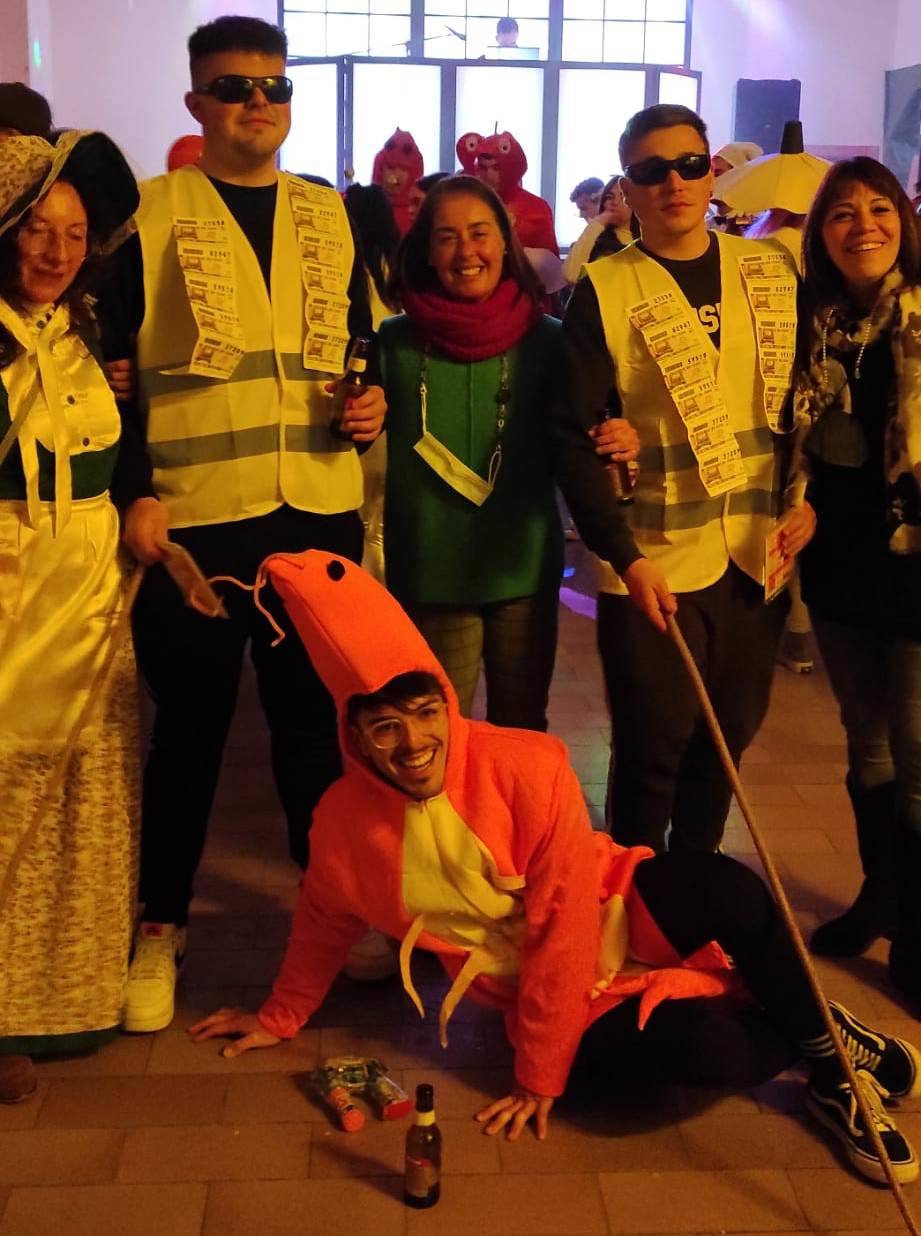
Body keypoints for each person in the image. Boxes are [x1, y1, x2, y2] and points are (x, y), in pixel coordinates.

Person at [190, 549, 921, 1185]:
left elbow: (566, 918)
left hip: (615, 905)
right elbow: (322, 922)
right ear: (355, 739)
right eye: (384, 727)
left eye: (423, 713)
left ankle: (831, 1068)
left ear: (447, 703)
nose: (412, 742)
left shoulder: (528, 765)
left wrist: (538, 1070)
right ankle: (809, 1023)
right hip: (545, 993)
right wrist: (278, 1017)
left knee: (724, 884)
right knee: (703, 1053)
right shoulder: (341, 827)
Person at [101, 14, 386, 1033]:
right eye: (232, 87)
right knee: (191, 732)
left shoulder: (332, 216)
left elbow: (360, 346)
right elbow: (111, 375)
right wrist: (134, 484)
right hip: (196, 519)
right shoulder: (148, 213)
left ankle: (333, 907)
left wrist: (372, 404)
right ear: (196, 104)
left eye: (274, 85)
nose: (257, 103)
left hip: (316, 507)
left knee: (317, 730)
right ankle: (162, 924)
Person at [553, 103, 814, 854]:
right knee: (652, 745)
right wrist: (620, 554)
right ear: (627, 188)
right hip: (651, 557)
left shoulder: (769, 273)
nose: (673, 183)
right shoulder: (605, 289)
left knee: (726, 740)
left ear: (713, 174)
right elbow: (572, 437)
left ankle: (692, 892)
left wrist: (809, 503)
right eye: (650, 171)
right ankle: (633, 907)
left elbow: (807, 405)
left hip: (754, 552)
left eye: (689, 165)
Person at [0, 131, 140, 1101]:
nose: (55, 251)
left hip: (92, 585)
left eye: (74, 233)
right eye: (35, 230)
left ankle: (64, 993)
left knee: (79, 798)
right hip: (10, 589)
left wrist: (142, 498)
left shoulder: (86, 333)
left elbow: (112, 454)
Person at [794, 158, 921, 1001]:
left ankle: (915, 923)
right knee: (864, 739)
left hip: (914, 562)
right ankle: (880, 895)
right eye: (841, 214)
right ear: (820, 233)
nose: (862, 225)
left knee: (915, 756)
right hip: (835, 558)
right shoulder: (811, 322)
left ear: (904, 223)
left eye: (879, 209)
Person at [378, 174, 564, 730]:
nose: (467, 253)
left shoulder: (551, 342)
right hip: (433, 570)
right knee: (437, 731)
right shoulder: (392, 343)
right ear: (426, 252)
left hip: (521, 569)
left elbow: (586, 433)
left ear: (506, 243)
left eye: (480, 233)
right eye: (447, 237)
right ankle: (446, 822)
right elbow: (353, 433)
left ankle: (515, 822)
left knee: (522, 729)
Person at [561, 175, 636, 285]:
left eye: (622, 196)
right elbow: (571, 275)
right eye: (609, 197)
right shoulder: (592, 241)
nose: (614, 202)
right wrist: (598, 222)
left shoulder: (648, 238)